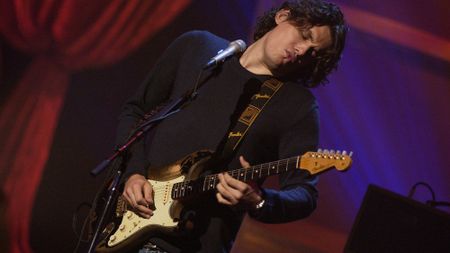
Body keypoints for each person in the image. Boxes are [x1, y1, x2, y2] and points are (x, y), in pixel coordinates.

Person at [115, 0, 347, 252]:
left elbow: (304, 195)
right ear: (282, 16)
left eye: (313, 52)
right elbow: (135, 111)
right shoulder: (197, 47)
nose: (302, 51)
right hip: (122, 222)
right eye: (304, 35)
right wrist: (133, 174)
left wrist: (259, 200)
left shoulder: (297, 106)